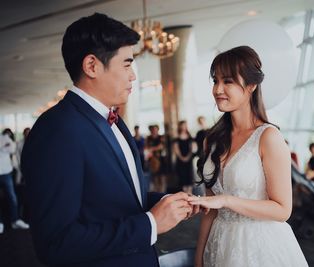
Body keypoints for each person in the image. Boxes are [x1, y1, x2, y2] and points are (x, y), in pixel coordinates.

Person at [21, 13, 198, 267]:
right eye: (127, 64)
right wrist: (150, 224)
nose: (133, 76)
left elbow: (110, 200)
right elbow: (57, 243)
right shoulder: (57, 130)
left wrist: (166, 202)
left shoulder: (112, 118)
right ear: (92, 66)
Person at [188, 46, 308, 267]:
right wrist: (199, 259)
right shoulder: (211, 140)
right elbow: (209, 211)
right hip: (219, 242)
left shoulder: (269, 137)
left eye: (228, 81)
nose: (217, 89)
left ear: (252, 86)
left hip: (261, 246)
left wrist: (226, 200)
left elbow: (283, 210)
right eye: (215, 81)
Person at [0, 130, 29, 234]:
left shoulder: (4, 137)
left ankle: (15, 220)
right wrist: (3, 148)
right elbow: (6, 148)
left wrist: (3, 147)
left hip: (6, 172)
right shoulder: (4, 141)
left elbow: (12, 149)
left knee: (12, 197)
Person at [173, 120, 196, 194]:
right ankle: (185, 195)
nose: (184, 127)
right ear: (180, 126)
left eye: (185, 125)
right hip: (180, 161)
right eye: (182, 125)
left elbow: (192, 148)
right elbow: (176, 149)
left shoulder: (190, 137)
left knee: (189, 177)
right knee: (182, 178)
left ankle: (190, 194)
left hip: (189, 160)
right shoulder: (176, 138)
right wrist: (182, 158)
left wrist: (188, 156)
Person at [146, 124, 167, 193]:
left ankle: (163, 193)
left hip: (161, 160)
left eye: (155, 129)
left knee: (162, 178)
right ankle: (157, 194)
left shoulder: (161, 137)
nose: (154, 131)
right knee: (155, 179)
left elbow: (161, 147)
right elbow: (146, 148)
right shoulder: (148, 138)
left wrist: (152, 148)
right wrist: (154, 148)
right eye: (153, 129)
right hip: (152, 160)